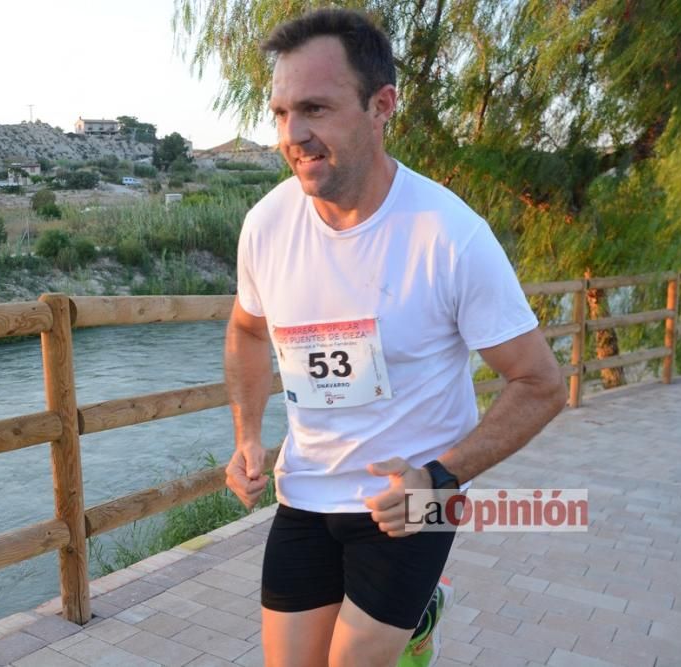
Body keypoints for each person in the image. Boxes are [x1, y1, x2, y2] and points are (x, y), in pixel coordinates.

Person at [223, 9, 567, 667]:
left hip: (414, 498)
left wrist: (441, 478)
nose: (293, 134)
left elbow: (541, 383)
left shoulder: (450, 236)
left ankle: (416, 613)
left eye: (316, 108)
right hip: (306, 491)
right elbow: (245, 328)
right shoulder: (266, 226)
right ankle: (420, 615)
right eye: (280, 113)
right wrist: (246, 433)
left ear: (382, 106)